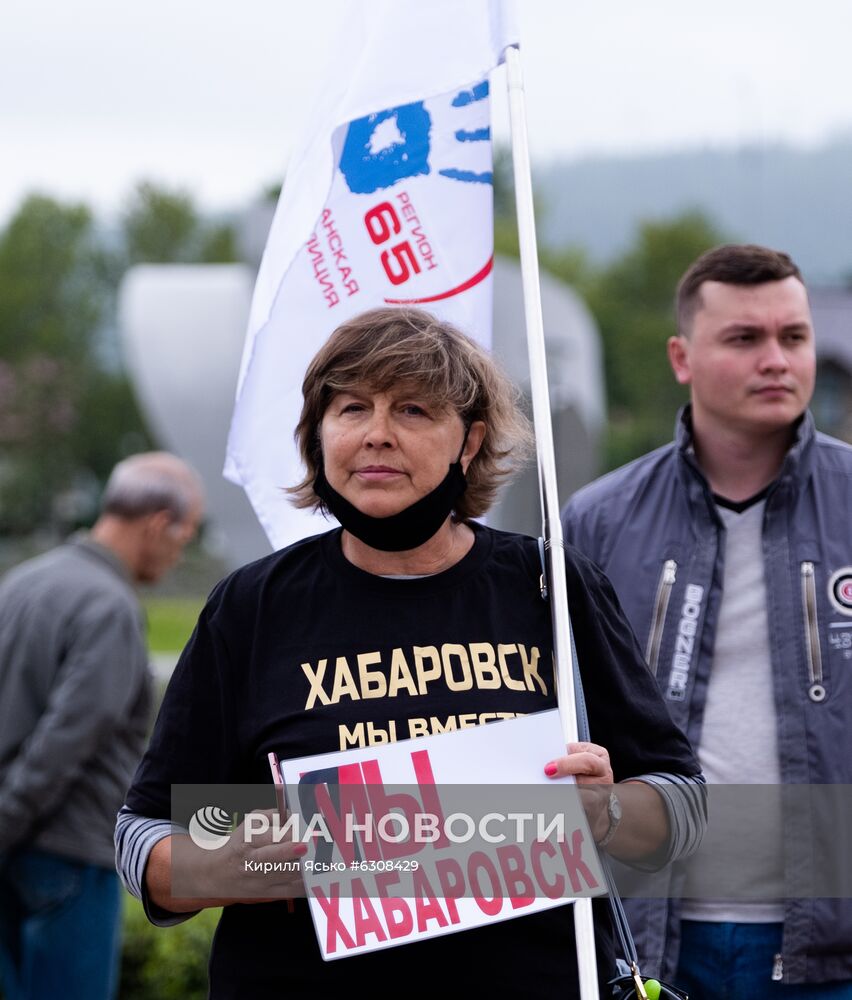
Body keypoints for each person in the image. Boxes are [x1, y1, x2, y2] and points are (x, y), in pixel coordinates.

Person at [116, 307, 704, 998]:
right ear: (316, 434)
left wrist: (605, 812)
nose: (376, 435)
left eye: (414, 410)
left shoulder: (548, 585)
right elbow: (142, 835)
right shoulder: (252, 606)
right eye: (352, 408)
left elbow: (682, 808)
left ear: (470, 440)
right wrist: (229, 863)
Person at [562, 244, 852, 998]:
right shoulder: (598, 521)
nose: (777, 360)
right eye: (744, 339)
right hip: (650, 938)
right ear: (681, 357)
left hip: (834, 948)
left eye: (793, 337)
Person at [0, 452, 204, 1000]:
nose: (177, 554)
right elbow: (68, 741)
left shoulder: (22, 582)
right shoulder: (109, 606)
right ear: (159, 524)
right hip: (68, 856)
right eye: (183, 538)